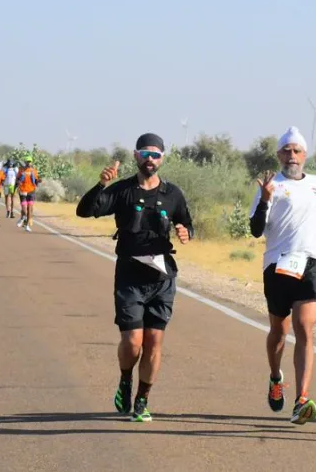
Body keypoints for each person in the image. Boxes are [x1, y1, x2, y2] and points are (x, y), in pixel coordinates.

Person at [76, 133, 194, 423]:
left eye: (155, 154)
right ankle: (125, 379)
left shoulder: (173, 194)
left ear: (162, 158)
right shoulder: (123, 190)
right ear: (135, 156)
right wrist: (101, 184)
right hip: (130, 275)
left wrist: (186, 232)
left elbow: (187, 223)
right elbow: (85, 211)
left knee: (154, 341)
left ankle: (142, 400)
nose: (150, 159)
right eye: (145, 154)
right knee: (132, 343)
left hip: (162, 277)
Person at [248, 126, 316, 425]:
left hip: (309, 262)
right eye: (286, 151)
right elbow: (256, 229)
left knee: (305, 328)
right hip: (277, 265)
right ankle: (275, 377)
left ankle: (301, 399)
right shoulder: (271, 185)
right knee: (279, 333)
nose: (292, 156)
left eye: (297, 150)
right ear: (278, 155)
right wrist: (264, 199)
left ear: (305, 155)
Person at [15, 156, 40, 232]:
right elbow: (17, 179)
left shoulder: (34, 171)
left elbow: (36, 180)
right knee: (24, 208)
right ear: (25, 162)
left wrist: (38, 181)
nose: (29, 163)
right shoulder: (21, 170)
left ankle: (27, 225)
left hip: (31, 191)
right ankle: (23, 218)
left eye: (30, 161)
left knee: (30, 209)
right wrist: (18, 183)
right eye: (27, 161)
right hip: (23, 191)